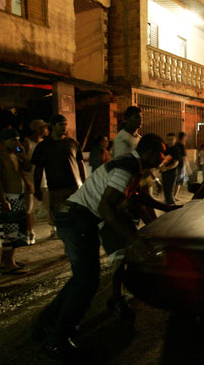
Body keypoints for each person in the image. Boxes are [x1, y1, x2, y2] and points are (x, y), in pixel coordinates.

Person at [33, 134, 171, 359]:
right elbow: (106, 208)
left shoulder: (131, 166)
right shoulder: (127, 168)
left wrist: (166, 207)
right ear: (150, 152)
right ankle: (57, 340)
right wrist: (134, 240)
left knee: (81, 278)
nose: (163, 157)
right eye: (161, 152)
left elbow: (134, 196)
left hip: (75, 218)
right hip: (77, 219)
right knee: (87, 281)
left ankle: (46, 325)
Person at [31, 114, 86, 238]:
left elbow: (80, 163)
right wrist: (37, 188)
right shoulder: (43, 146)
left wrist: (84, 183)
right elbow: (38, 169)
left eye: (65, 124)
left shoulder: (72, 143)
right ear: (53, 126)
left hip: (73, 187)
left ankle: (73, 245)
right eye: (61, 124)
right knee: (61, 220)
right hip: (56, 189)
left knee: (76, 218)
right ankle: (67, 244)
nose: (64, 127)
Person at [0, 128, 32, 273]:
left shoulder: (15, 155)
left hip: (17, 197)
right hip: (8, 198)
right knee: (9, 234)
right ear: (3, 141)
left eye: (17, 139)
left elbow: (27, 168)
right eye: (13, 139)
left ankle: (6, 261)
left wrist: (23, 155)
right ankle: (9, 264)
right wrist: (3, 200)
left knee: (15, 232)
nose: (17, 142)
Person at [23, 119, 49, 244]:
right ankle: (31, 232)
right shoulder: (27, 144)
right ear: (38, 129)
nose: (46, 130)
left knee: (51, 206)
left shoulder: (45, 143)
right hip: (30, 181)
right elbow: (21, 163)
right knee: (29, 209)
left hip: (45, 180)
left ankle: (54, 228)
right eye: (44, 128)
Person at [160, 133, 179, 204]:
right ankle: (168, 203)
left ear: (175, 140)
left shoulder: (176, 149)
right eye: (168, 139)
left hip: (172, 173)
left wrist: (167, 168)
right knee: (165, 190)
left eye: (172, 139)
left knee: (170, 191)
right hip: (164, 172)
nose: (170, 141)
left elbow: (176, 163)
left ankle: (171, 204)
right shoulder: (164, 148)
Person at [173, 131, 188, 201]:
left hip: (174, 165)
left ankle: (173, 196)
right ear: (183, 137)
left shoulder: (175, 145)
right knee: (178, 182)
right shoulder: (181, 146)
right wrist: (186, 167)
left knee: (175, 182)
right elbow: (184, 157)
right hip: (180, 166)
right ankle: (174, 196)